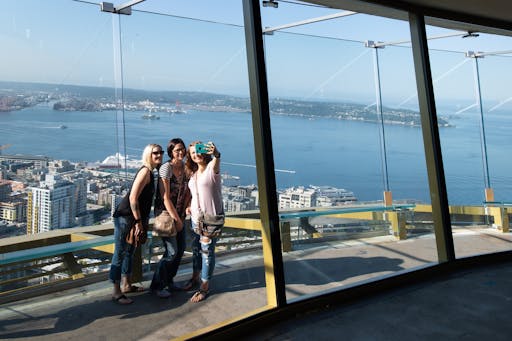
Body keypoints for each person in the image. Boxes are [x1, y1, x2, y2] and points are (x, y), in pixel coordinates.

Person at [109, 144, 164, 305]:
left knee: (129, 252)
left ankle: (126, 284)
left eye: (161, 152)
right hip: (126, 217)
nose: (159, 155)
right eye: (155, 153)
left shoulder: (151, 172)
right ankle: (116, 291)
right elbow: (133, 198)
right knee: (119, 253)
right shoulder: (145, 171)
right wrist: (139, 221)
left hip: (133, 218)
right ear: (148, 154)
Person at [149, 138, 191, 298]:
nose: (180, 152)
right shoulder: (166, 168)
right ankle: (156, 285)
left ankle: (169, 281)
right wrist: (178, 220)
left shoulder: (186, 168)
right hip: (166, 214)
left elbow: (188, 191)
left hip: (179, 213)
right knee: (171, 252)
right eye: (177, 150)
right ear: (171, 152)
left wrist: (185, 209)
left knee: (180, 250)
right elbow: (165, 197)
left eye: (182, 149)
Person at [183, 140, 223, 303]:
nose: (196, 154)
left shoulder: (212, 168)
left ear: (205, 152)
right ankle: (195, 277)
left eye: (198, 151)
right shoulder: (193, 174)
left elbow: (217, 160)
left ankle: (204, 287)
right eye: (192, 153)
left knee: (207, 253)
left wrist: (217, 153)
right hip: (196, 219)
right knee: (196, 250)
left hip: (210, 218)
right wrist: (190, 206)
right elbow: (196, 193)